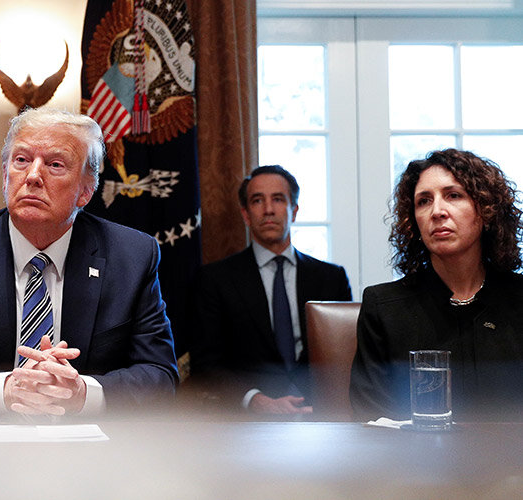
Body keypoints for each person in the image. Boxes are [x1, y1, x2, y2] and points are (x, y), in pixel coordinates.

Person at [0, 108, 178, 415]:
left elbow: (160, 377)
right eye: (21, 160)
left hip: (86, 441)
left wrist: (83, 394)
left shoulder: (132, 258)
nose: (32, 176)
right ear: (5, 174)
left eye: (55, 165)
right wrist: (5, 391)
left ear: (86, 191)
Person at [350, 149, 523, 422]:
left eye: (453, 195)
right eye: (424, 201)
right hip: (413, 451)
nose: (437, 211)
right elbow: (372, 418)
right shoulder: (383, 308)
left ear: (486, 210)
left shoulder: (518, 299)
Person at [193, 165, 351, 415]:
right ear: (246, 214)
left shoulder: (332, 278)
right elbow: (206, 364)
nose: (268, 209)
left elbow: (346, 358)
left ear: (294, 211)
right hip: (249, 420)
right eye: (257, 200)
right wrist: (255, 400)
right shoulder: (215, 280)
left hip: (320, 413)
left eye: (278, 199)